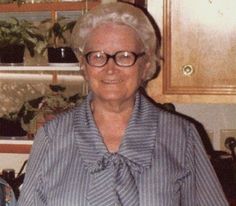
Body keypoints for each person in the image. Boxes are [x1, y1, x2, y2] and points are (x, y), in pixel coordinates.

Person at [17, 2, 228, 206]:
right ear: (83, 65)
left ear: (146, 65)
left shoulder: (182, 137)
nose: (110, 68)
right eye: (98, 56)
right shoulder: (52, 137)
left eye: (125, 56)